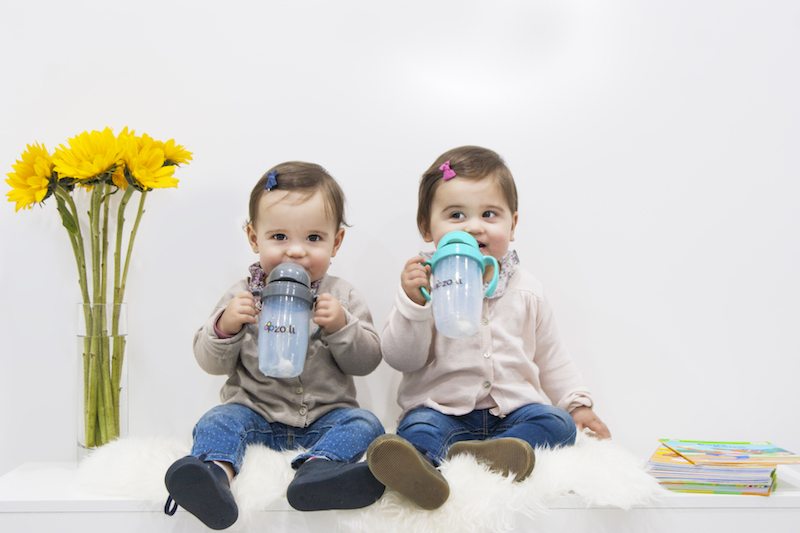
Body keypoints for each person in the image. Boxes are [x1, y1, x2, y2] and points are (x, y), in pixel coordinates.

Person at [367, 146, 611, 510]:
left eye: (489, 214)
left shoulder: (527, 290)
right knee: (417, 429)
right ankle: (422, 473)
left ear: (513, 224)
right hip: (442, 412)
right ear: (426, 227)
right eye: (456, 214)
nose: (474, 225)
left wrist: (578, 406)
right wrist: (414, 303)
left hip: (514, 414)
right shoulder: (425, 284)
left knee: (557, 424)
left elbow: (551, 356)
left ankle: (492, 454)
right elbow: (402, 358)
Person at [164, 162, 385, 529]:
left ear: (336, 242)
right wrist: (225, 325)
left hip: (323, 418)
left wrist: (342, 326)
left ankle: (318, 471)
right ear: (254, 238)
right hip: (255, 415)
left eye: (313, 238)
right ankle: (213, 475)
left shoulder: (341, 296)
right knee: (218, 419)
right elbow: (210, 362)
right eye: (279, 237)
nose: (295, 251)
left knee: (366, 422)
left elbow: (366, 362)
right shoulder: (241, 296)